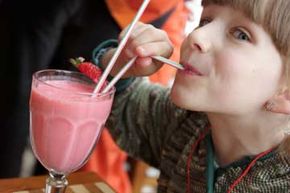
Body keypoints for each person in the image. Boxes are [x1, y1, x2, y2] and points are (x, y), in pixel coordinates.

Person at [96, 0, 290, 192]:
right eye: (205, 21)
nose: (196, 35)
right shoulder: (184, 123)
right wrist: (121, 65)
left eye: (241, 35)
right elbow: (121, 100)